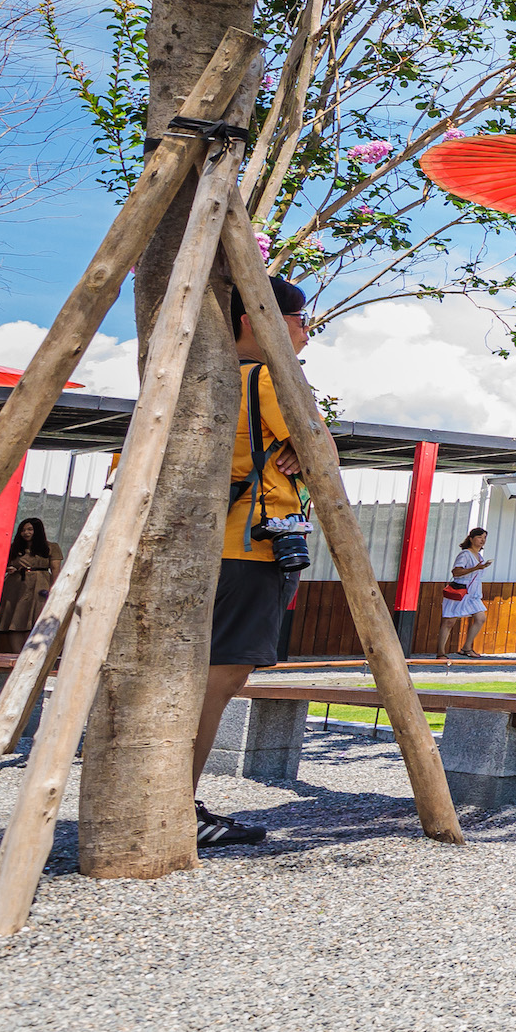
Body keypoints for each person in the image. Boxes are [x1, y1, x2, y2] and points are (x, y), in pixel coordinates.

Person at [197, 273, 315, 848]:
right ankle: (180, 807)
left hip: (199, 547)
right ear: (255, 321)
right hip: (250, 546)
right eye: (300, 320)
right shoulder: (270, 377)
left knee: (200, 676)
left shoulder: (205, 375)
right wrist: (307, 443)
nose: (306, 331)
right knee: (219, 680)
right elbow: (321, 451)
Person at [0, 516, 58, 656]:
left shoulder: (51, 547)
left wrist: (55, 588)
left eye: (30, 529)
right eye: (23, 530)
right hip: (16, 585)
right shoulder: (14, 548)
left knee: (35, 619)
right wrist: (9, 568)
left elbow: (56, 569)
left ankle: (31, 655)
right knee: (14, 621)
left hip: (40, 585)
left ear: (38, 531)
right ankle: (17, 655)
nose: (26, 533)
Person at [442, 526, 493, 658]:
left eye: (484, 538)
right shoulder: (465, 554)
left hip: (473, 594)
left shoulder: (480, 557)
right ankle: (440, 652)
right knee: (449, 622)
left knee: (480, 617)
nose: (482, 540)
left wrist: (479, 567)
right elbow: (456, 571)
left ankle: (466, 647)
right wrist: (475, 568)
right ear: (471, 539)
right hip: (461, 590)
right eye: (479, 537)